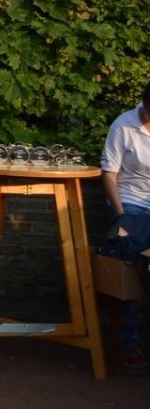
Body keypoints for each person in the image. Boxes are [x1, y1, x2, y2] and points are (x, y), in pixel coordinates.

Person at [100, 79, 150, 374]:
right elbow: (109, 174)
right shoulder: (123, 125)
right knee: (134, 266)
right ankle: (129, 344)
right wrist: (121, 217)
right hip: (130, 203)